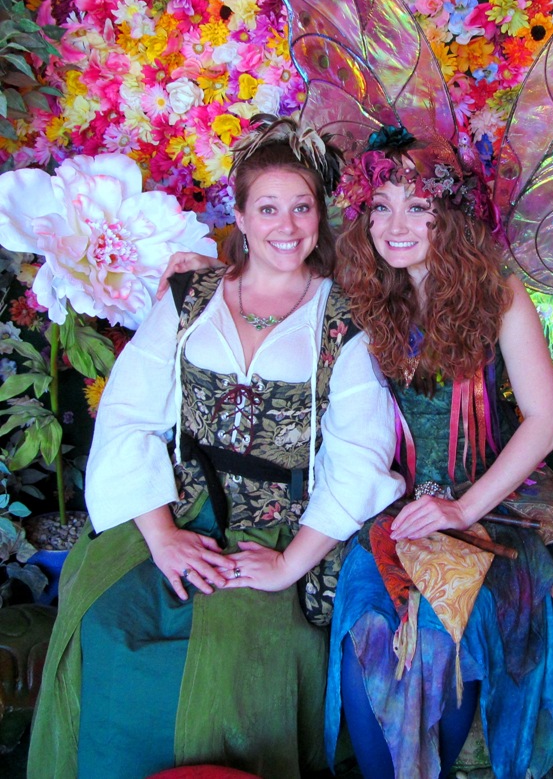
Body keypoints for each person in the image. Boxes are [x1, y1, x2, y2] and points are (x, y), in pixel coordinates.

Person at [27, 116, 405, 779]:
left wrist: (288, 564)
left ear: (320, 216)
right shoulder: (190, 295)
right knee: (109, 625)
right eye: (268, 208)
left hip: (283, 523)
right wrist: (163, 536)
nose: (286, 225)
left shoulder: (347, 318)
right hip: (176, 506)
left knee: (239, 652)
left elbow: (359, 455)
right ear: (241, 215)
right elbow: (128, 414)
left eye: (301, 207)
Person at [320, 132, 553, 779]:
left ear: (448, 214)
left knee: (440, 634)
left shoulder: (498, 291)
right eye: (381, 206)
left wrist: (462, 507)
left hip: (491, 504)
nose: (395, 225)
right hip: (396, 506)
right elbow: (278, 280)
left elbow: (546, 422)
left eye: (417, 206)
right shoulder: (365, 289)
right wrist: (199, 265)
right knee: (367, 636)